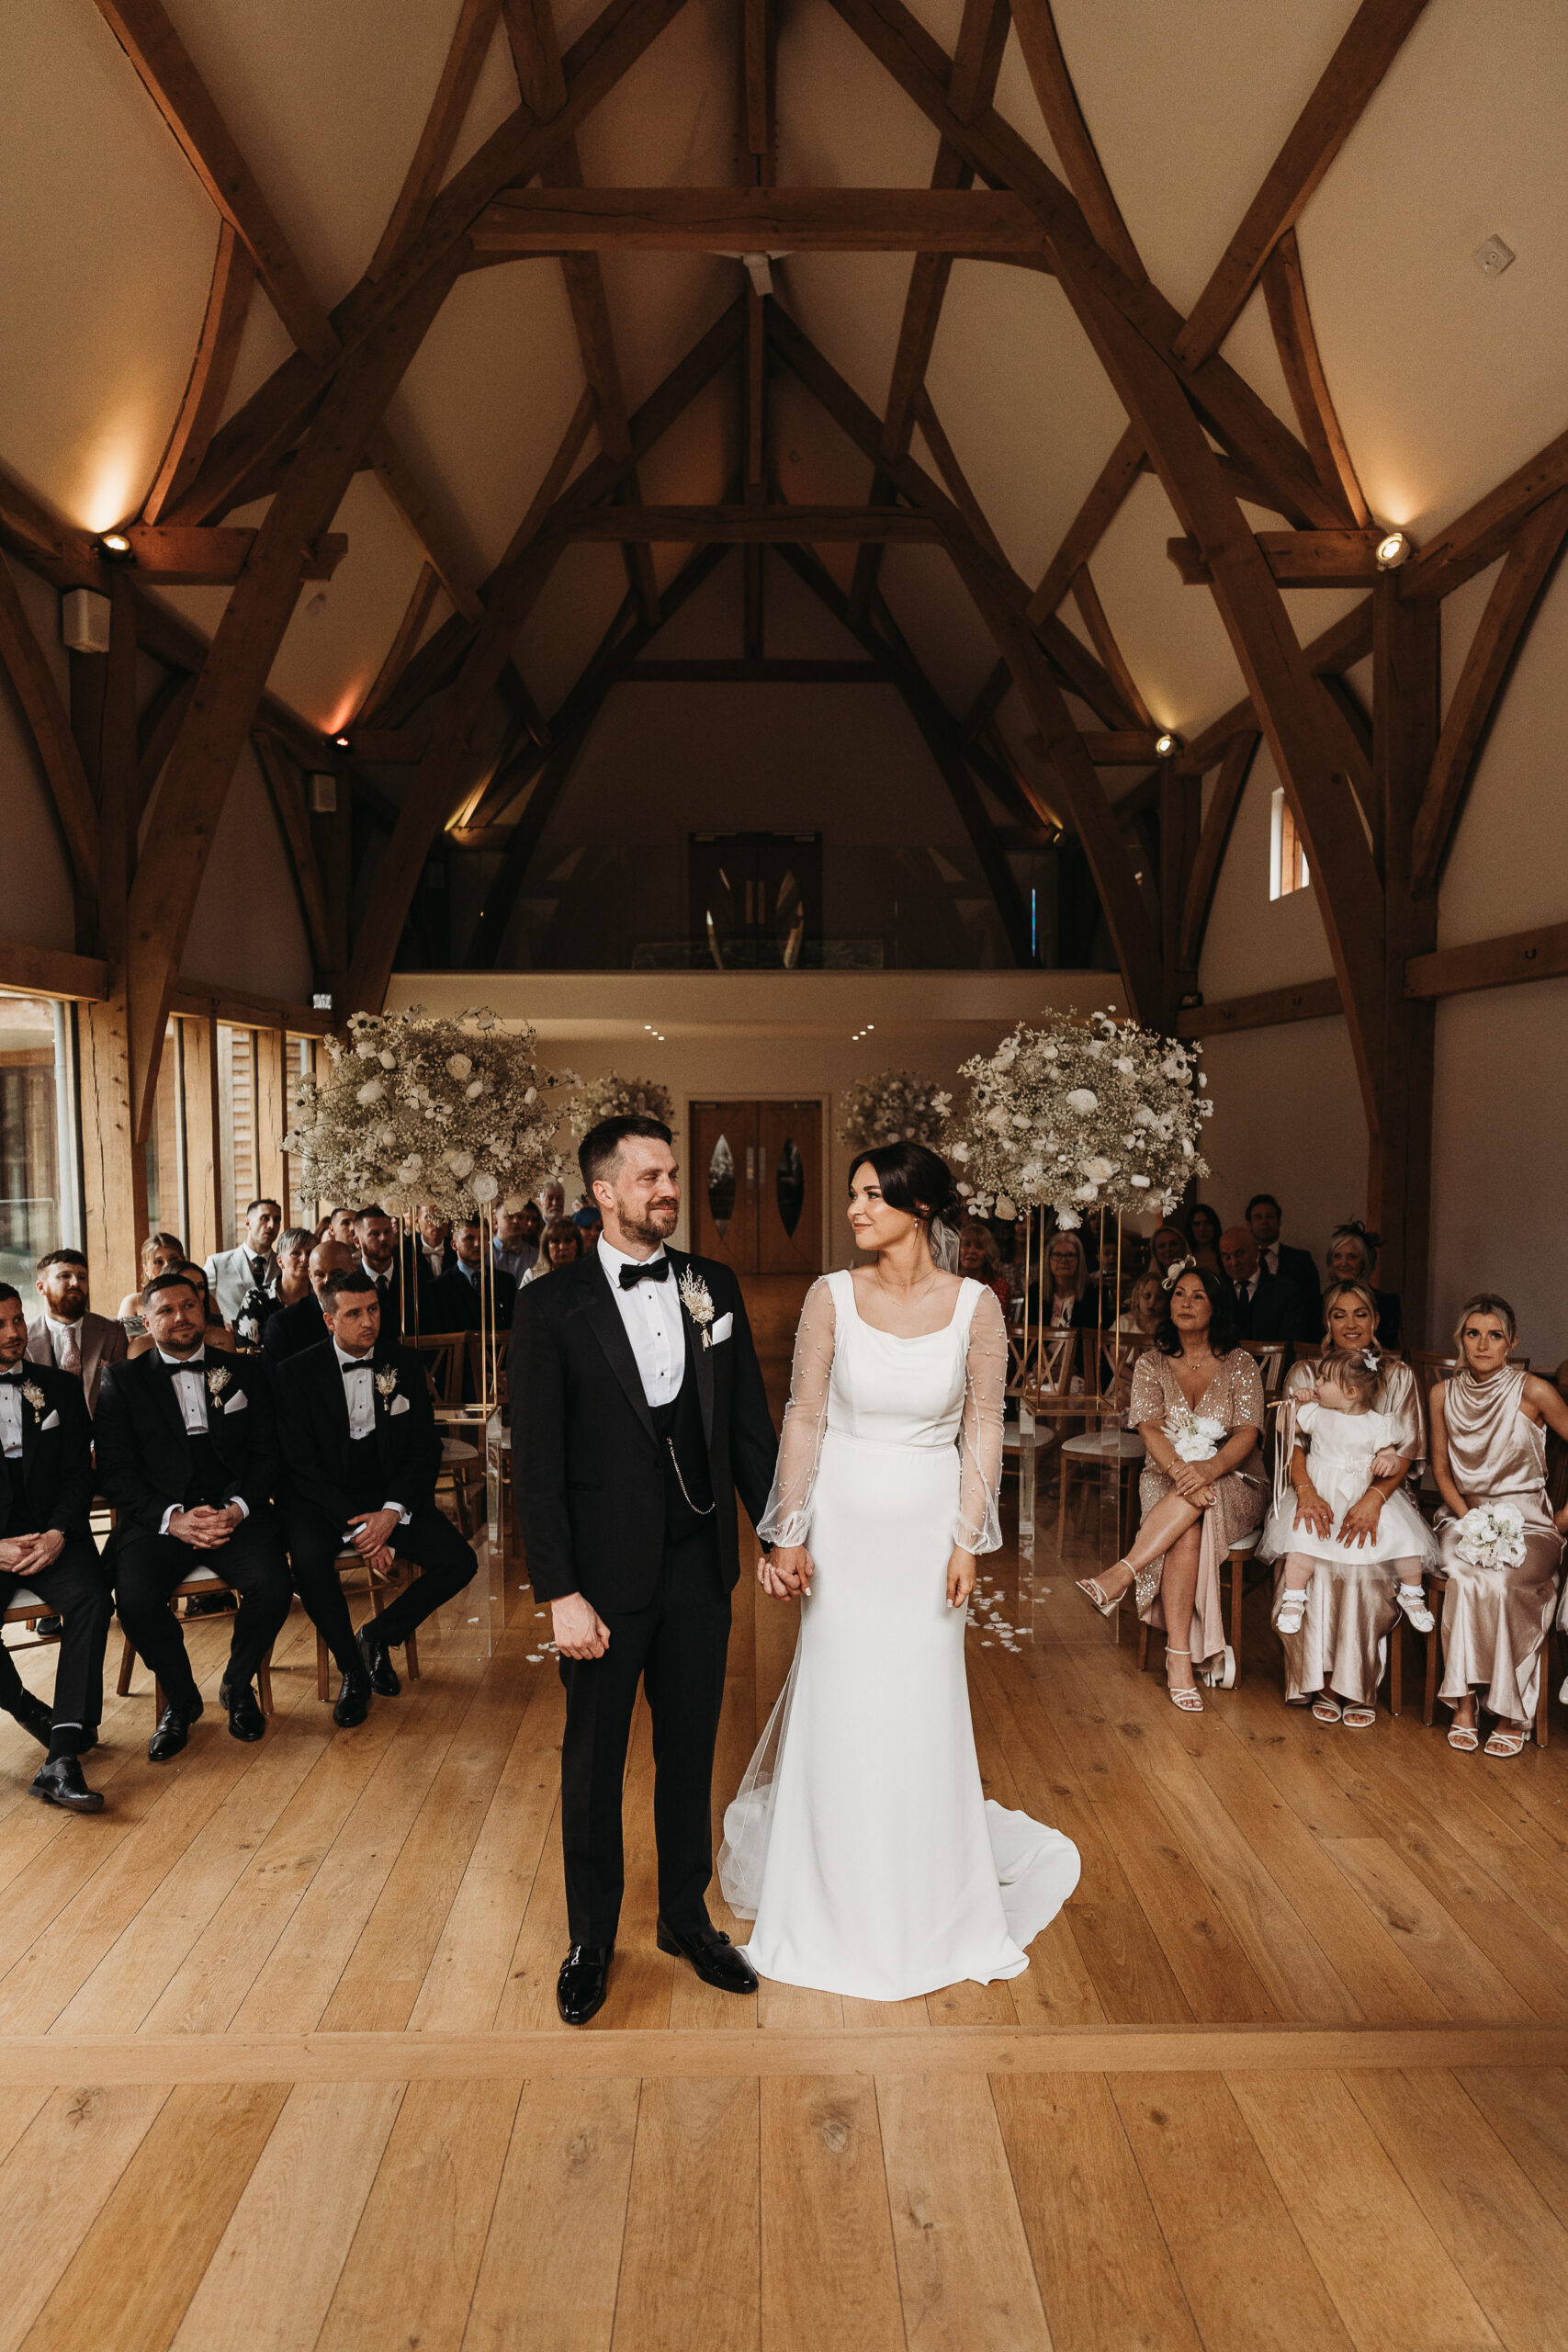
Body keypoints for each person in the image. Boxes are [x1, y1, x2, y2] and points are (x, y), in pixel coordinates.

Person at [719, 1142, 1078, 2001]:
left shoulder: (976, 1308)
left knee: (919, 1704)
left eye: (871, 1196)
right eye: (850, 1195)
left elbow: (984, 1427)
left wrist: (966, 1539)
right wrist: (789, 1531)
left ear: (919, 1210)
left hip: (925, 1533)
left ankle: (926, 1896)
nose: (853, 1209)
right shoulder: (829, 1297)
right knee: (841, 1701)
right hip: (842, 1527)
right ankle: (826, 1896)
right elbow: (803, 1415)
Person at [510, 1114, 779, 2028]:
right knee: (591, 1762)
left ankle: (683, 1915)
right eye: (653, 1177)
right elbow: (536, 1465)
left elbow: (747, 1427)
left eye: (671, 1175)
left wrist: (778, 1533)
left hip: (699, 1567)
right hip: (599, 1584)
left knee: (688, 1749)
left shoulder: (713, 1284)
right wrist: (560, 1592)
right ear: (605, 1193)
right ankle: (591, 1937)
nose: (670, 1190)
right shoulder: (550, 1306)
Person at [96, 1272, 293, 1761]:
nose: (180, 1317)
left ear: (203, 1308)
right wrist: (172, 1518)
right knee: (135, 1599)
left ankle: (237, 1683)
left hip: (233, 1510)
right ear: (146, 1321)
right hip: (159, 1519)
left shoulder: (246, 1372)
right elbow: (116, 1473)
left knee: (274, 1584)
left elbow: (268, 1454)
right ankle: (181, 1700)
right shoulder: (122, 1381)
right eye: (166, 1310)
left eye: (188, 1305)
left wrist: (239, 1507)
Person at [275, 1268, 478, 1726]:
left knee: (460, 1561)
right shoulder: (295, 1374)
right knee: (308, 1565)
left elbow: (425, 1448)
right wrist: (359, 1525)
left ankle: (379, 1635)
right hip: (322, 1502)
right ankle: (352, 1670)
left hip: (388, 1493)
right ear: (330, 1321)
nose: (368, 1322)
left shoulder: (403, 1363)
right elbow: (300, 1467)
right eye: (353, 1313)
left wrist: (390, 1513)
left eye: (373, 1309)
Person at [1077, 1266, 1265, 1708]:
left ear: (1216, 1307)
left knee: (1190, 1516)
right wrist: (1184, 1471)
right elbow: (1149, 1429)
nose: (1185, 1302)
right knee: (1189, 1531)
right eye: (1180, 1294)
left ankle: (1122, 1573)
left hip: (1235, 1478)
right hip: (1166, 1475)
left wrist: (1209, 1468)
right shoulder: (1151, 1363)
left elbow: (1247, 1434)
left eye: (1198, 1296)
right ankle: (1179, 1658)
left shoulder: (1241, 1364)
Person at [1260, 1329, 1435, 1727]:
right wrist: (1297, 1400)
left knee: (1404, 1540)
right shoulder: (1317, 1412)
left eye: (1322, 1382)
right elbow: (1286, 1428)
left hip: (1362, 1499)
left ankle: (1412, 1594)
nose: (1316, 1385)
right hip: (1321, 1498)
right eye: (1339, 1314)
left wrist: (1388, 1462)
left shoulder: (1379, 1421)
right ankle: (1294, 1599)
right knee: (1303, 1543)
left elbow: (1392, 1452)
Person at [1432, 1294, 1568, 1757]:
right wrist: (1467, 1517)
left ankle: (1512, 1710)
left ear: (1512, 1342)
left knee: (1507, 1583)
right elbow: (1441, 1472)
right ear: (1461, 1339)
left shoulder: (1535, 1391)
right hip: (1464, 1515)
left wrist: (1564, 1519)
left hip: (1530, 1522)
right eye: (1473, 1333)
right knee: (1465, 1578)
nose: (1483, 1344)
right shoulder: (1442, 1393)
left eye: (1494, 1335)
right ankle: (1465, 1703)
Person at [0, 1283, 112, 1811]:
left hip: (52, 1534)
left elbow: (77, 1474)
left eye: (18, 1320)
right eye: (1, 1325)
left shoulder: (58, 1389)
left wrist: (58, 1532)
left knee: (92, 1598)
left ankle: (62, 1753)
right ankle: (24, 1706)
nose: (15, 1333)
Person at [25, 1248, 127, 1413]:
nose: (75, 1283)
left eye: (82, 1277)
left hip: (101, 1434)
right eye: (64, 1276)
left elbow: (123, 1394)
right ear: (41, 1287)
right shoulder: (23, 1337)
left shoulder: (112, 1331)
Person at [263, 1238, 353, 1368]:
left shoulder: (372, 1312)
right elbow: (276, 1384)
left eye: (336, 1273)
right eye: (320, 1275)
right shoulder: (283, 1324)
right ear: (310, 1276)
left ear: (352, 1271)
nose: (327, 1281)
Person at [1219, 1225, 1310, 1343]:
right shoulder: (1217, 1291)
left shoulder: (1286, 1291)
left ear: (1256, 1252)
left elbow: (1292, 1342)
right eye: (1226, 1257)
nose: (1234, 1262)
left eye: (1239, 1254)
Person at [427, 1218, 518, 1332]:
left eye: (483, 1238)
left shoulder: (506, 1282)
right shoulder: (439, 1287)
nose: (477, 1244)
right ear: (454, 1245)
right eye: (469, 1238)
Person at [205, 1199, 282, 1325]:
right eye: (265, 1218)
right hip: (231, 1340)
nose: (271, 1225)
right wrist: (219, 1324)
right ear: (247, 1223)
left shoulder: (283, 1265)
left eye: (277, 1220)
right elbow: (199, 1301)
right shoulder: (217, 1264)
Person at [1324, 1223, 1401, 1349]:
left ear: (1364, 1262)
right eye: (1337, 1256)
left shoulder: (1386, 1302)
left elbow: (1388, 1349)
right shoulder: (1317, 1302)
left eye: (1352, 1257)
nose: (1343, 1263)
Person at [1247, 1193, 1319, 1325]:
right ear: (1249, 1224)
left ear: (1279, 1221)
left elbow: (1313, 1306)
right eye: (1258, 1217)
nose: (1264, 1221)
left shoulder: (1302, 1260)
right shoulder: (1241, 1262)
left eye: (1270, 1216)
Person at [118, 1232, 187, 1338]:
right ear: (146, 1270)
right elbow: (123, 1348)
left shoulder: (200, 1297)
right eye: (159, 1262)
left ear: (184, 1261)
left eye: (173, 1259)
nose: (167, 1266)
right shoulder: (134, 1303)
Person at [1037, 1230, 1101, 1331]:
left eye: (1070, 1255)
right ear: (1048, 1259)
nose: (1063, 1260)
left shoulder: (1095, 1293)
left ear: (1079, 1260)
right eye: (1057, 1254)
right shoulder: (1035, 1291)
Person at [355, 1204, 402, 1334]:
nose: (383, 1238)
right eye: (375, 1234)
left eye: (387, 1232)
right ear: (357, 1242)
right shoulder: (352, 1282)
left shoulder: (414, 1276)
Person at [957, 1219, 1010, 1313]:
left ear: (988, 1254)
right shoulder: (946, 1280)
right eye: (966, 1245)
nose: (972, 1251)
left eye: (979, 1247)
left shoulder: (998, 1285)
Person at [520, 1217, 585, 1286]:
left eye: (568, 1241)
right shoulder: (532, 1277)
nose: (562, 1247)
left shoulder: (588, 1275)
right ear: (546, 1247)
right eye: (556, 1241)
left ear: (577, 1245)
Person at [493, 1203, 542, 1283]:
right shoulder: (483, 1253)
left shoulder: (536, 1256)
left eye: (520, 1217)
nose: (516, 1221)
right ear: (495, 1221)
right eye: (510, 1216)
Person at [1182, 1202, 1224, 1273]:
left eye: (1207, 1223)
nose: (1202, 1229)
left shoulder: (1225, 1254)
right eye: (1197, 1224)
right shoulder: (1184, 1257)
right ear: (1190, 1228)